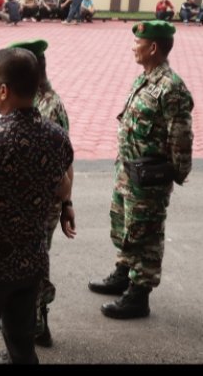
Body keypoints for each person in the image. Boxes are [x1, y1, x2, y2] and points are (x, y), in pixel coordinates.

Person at [0, 47, 73, 364]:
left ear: (4, 91)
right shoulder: (58, 138)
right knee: (22, 346)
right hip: (29, 261)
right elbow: (62, 185)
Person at [88, 20, 193, 319]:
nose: (134, 47)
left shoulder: (171, 87)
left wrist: (174, 174)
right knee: (125, 225)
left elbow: (181, 136)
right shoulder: (145, 79)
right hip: (129, 171)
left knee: (146, 234)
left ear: (153, 47)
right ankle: (123, 272)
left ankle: (138, 295)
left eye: (138, 43)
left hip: (150, 178)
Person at [7, 39, 75, 348]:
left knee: (27, 270)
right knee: (33, 265)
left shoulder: (47, 107)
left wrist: (65, 204)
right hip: (36, 205)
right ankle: (37, 326)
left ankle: (28, 334)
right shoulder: (35, 101)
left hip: (36, 207)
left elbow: (62, 165)